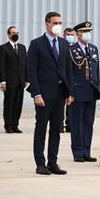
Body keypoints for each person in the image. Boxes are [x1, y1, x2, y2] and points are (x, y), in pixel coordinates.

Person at [27, 12, 73, 175]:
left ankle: (53, 162)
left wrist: (70, 93)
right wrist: (36, 94)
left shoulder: (64, 44)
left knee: (56, 129)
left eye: (60, 22)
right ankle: (40, 163)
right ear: (47, 24)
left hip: (60, 94)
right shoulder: (36, 44)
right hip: (44, 94)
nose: (58, 25)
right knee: (41, 128)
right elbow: (31, 71)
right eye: (55, 22)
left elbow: (68, 70)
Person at [68, 21, 100, 162]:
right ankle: (77, 152)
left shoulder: (93, 49)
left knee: (88, 122)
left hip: (91, 91)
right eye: (84, 32)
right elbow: (69, 73)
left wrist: (97, 87)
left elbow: (96, 71)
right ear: (77, 34)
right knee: (77, 123)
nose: (87, 34)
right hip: (77, 91)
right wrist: (69, 92)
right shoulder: (71, 50)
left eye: (89, 32)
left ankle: (86, 151)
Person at [0, 26, 28, 133]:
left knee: (18, 104)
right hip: (9, 81)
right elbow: (1, 66)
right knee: (9, 104)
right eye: (13, 32)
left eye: (17, 32)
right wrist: (3, 81)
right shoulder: (3, 48)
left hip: (21, 81)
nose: (16, 34)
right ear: (9, 34)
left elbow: (25, 64)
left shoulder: (22, 47)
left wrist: (27, 79)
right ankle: (8, 125)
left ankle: (15, 125)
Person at [61, 27, 76, 133]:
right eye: (68, 34)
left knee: (71, 103)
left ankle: (70, 124)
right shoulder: (61, 47)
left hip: (74, 80)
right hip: (63, 79)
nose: (70, 36)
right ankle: (60, 124)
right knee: (60, 104)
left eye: (71, 35)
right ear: (64, 35)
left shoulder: (76, 48)